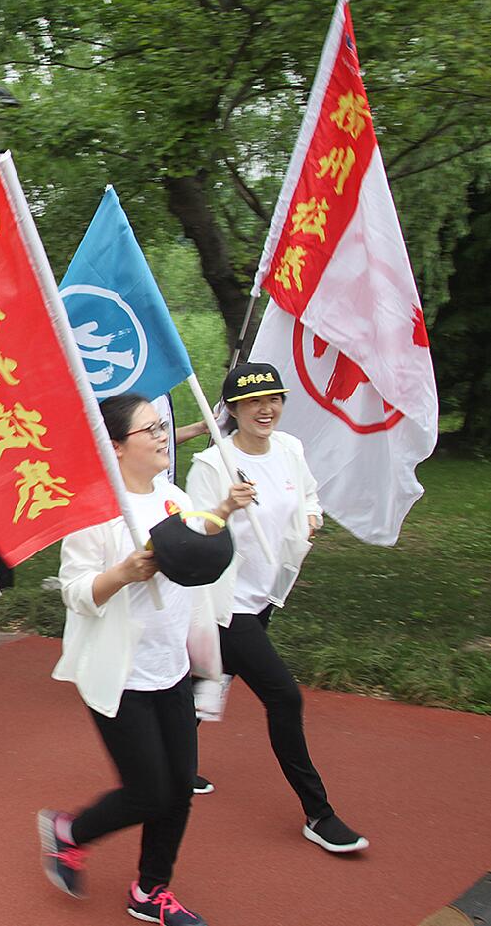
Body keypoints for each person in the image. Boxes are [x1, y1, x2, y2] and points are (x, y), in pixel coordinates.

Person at [38, 394, 252, 926]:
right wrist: (123, 574)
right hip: (121, 674)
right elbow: (74, 591)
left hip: (171, 668)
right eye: (150, 430)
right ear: (115, 446)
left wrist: (223, 511)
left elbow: (193, 544)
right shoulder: (94, 511)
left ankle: (151, 891)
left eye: (161, 427)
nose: (162, 436)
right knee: (149, 791)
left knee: (179, 788)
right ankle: (70, 832)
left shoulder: (172, 496)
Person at [184, 362, 369, 854]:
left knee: (211, 680)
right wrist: (222, 510)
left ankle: (174, 763)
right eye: (253, 402)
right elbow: (191, 538)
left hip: (266, 595)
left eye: (274, 399)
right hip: (227, 607)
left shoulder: (290, 449)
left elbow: (309, 494)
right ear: (232, 410)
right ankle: (319, 813)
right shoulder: (211, 465)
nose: (266, 409)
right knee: (284, 698)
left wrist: (311, 516)